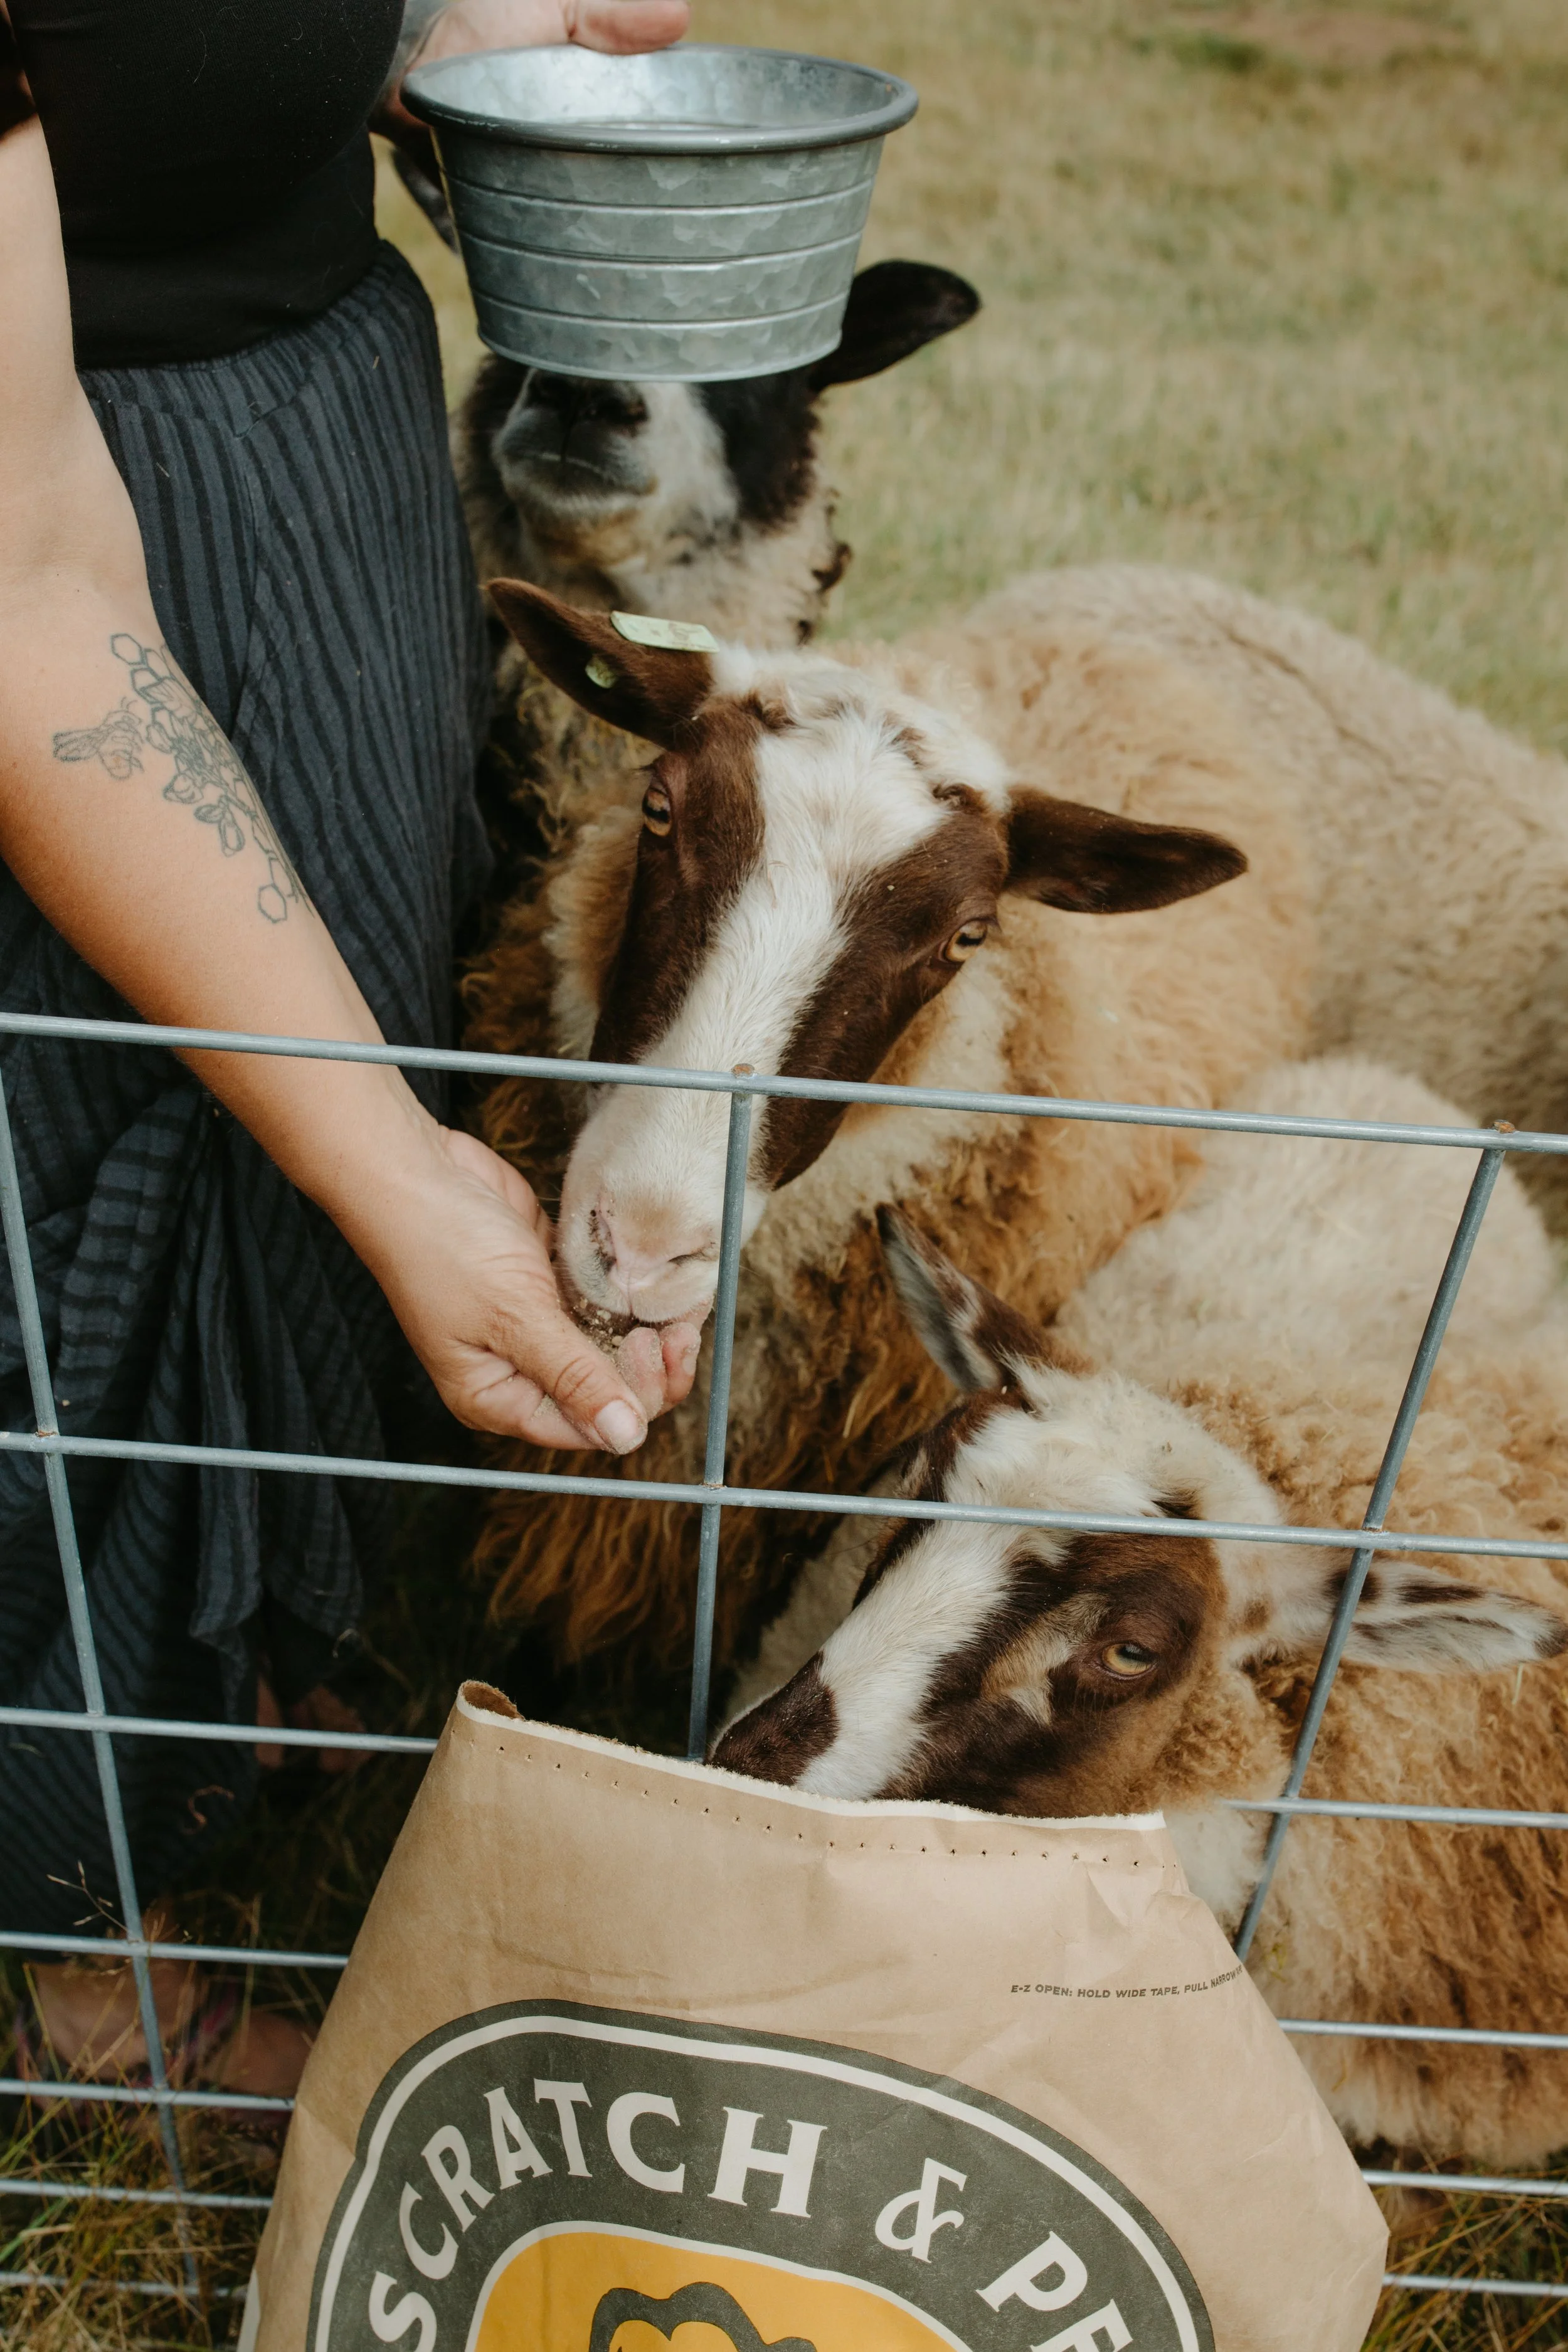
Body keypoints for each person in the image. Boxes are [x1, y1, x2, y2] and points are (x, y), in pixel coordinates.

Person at [0, 0, 693, 2100]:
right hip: (61, 554)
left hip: (305, 441)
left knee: (283, 1181)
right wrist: (391, 1168)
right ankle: (66, 1919)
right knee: (75, 1222)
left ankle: (135, 1880)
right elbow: (23, 587)